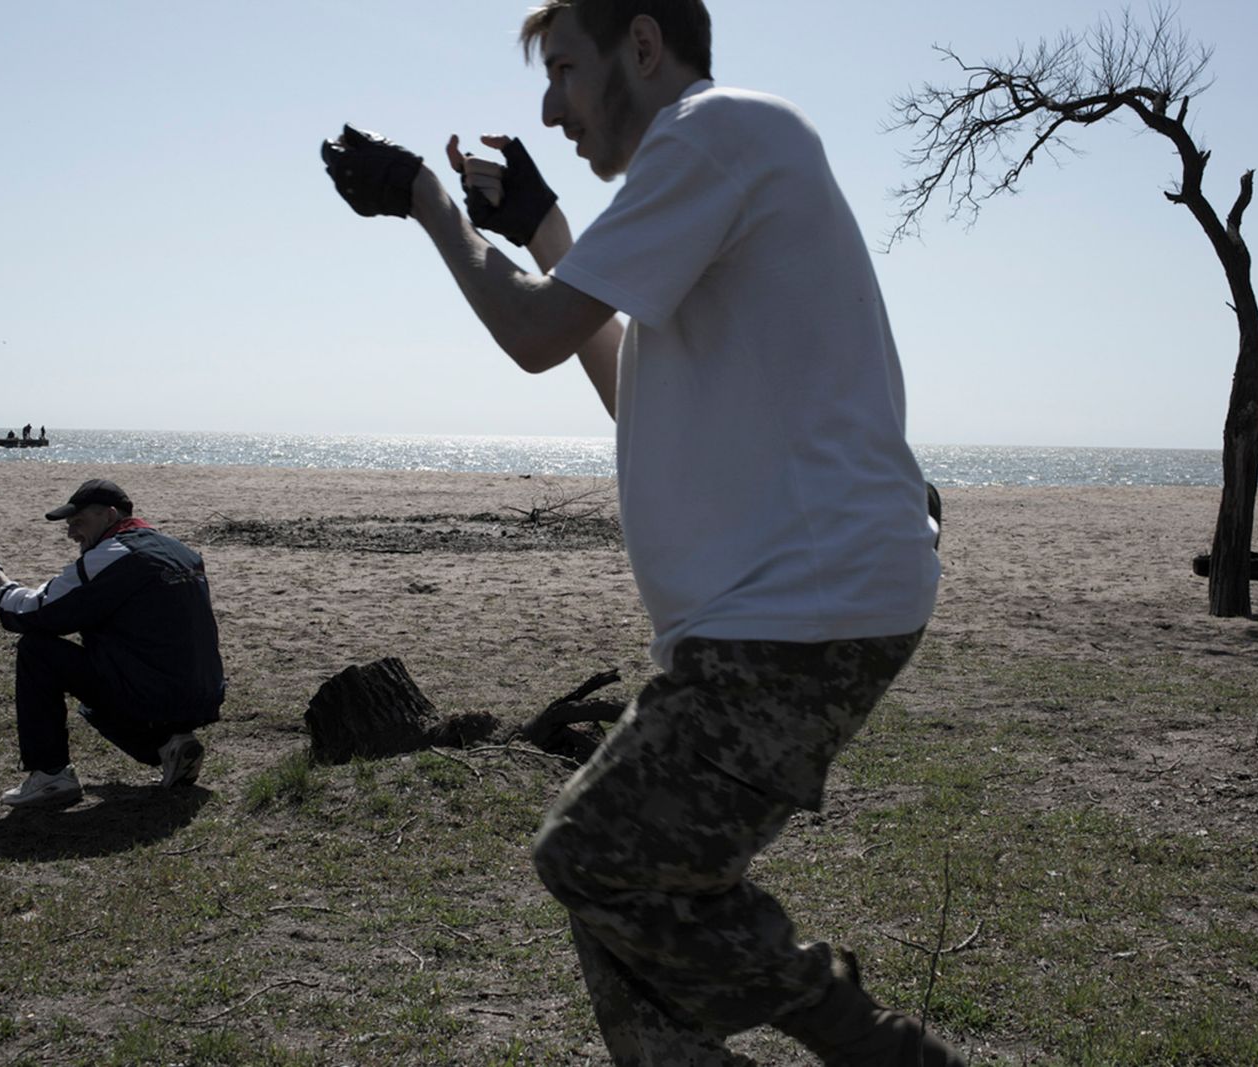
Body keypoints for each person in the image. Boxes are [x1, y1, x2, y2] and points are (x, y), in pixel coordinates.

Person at [321, 4, 960, 1063]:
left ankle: (864, 1037)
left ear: (646, 46)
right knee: (631, 902)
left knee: (594, 854)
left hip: (802, 609)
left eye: (566, 68)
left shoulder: (714, 132)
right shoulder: (711, 161)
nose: (548, 104)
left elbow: (534, 332)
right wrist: (539, 229)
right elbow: (637, 390)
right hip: (778, 611)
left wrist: (430, 204)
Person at [0, 479, 226, 808]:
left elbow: (38, 611)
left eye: (78, 523)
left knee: (37, 650)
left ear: (110, 516)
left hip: (155, 690)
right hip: (202, 692)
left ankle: (51, 775)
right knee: (104, 688)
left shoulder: (113, 554)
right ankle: (170, 744)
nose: (72, 534)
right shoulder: (180, 550)